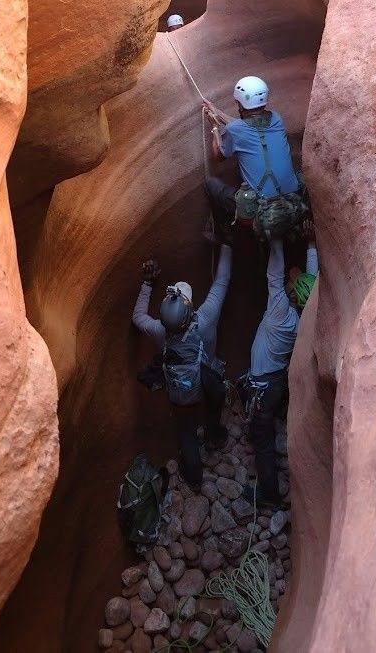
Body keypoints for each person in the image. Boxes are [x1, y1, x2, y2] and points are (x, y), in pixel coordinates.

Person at [132, 243, 232, 489]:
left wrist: (146, 284)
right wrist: (227, 244)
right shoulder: (205, 320)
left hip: (181, 394)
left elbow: (137, 318)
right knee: (214, 402)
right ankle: (213, 435)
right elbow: (222, 281)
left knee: (186, 432)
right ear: (189, 309)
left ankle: (195, 480)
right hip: (206, 383)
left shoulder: (158, 331)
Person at [241, 220, 318, 508]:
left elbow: (274, 276)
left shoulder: (277, 313)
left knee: (262, 439)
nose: (291, 275)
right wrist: (310, 245)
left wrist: (274, 236)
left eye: (294, 280)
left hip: (263, 387)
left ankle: (269, 495)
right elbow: (313, 283)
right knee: (267, 420)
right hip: (276, 384)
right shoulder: (304, 320)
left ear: (292, 294)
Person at [203, 75, 301, 232]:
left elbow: (219, 156)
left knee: (211, 184)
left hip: (261, 210)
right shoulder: (276, 119)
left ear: (240, 103)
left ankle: (225, 232)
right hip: (292, 203)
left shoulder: (235, 130)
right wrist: (218, 113)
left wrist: (215, 128)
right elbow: (246, 127)